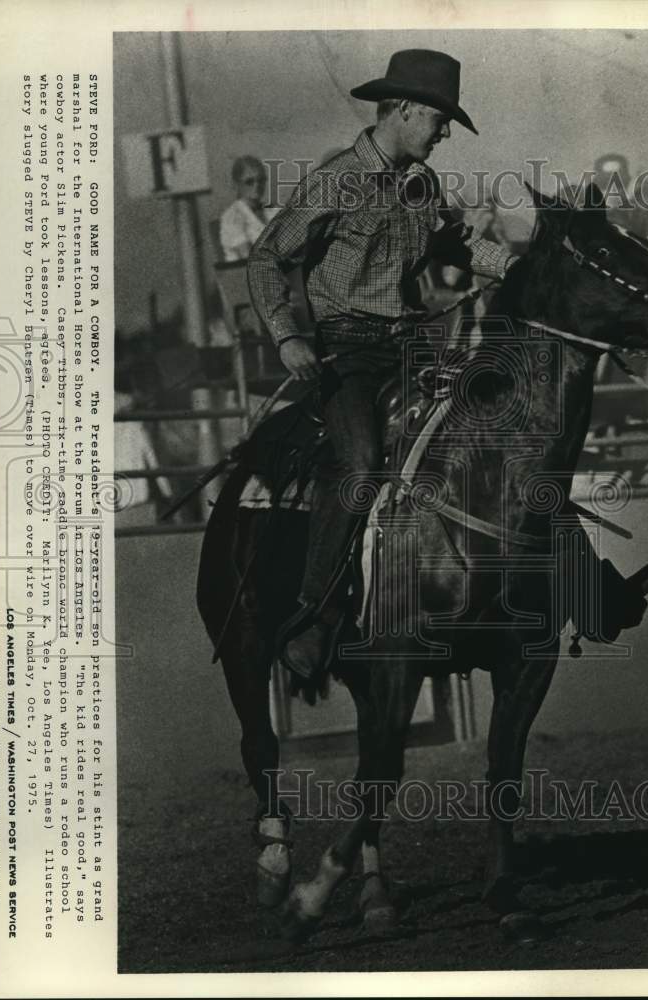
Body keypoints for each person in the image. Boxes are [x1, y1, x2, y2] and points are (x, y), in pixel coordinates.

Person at [246, 49, 520, 679]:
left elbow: (457, 243)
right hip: (347, 355)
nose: (445, 132)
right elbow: (266, 259)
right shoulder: (334, 181)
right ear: (402, 110)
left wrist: (520, 267)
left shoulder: (423, 187)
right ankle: (312, 618)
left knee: (490, 436)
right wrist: (288, 337)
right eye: (439, 119)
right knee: (362, 463)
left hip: (413, 352)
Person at [219, 155, 279, 262]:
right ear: (236, 184)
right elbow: (248, 257)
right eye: (249, 181)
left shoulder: (273, 210)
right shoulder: (232, 217)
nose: (257, 185)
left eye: (261, 180)